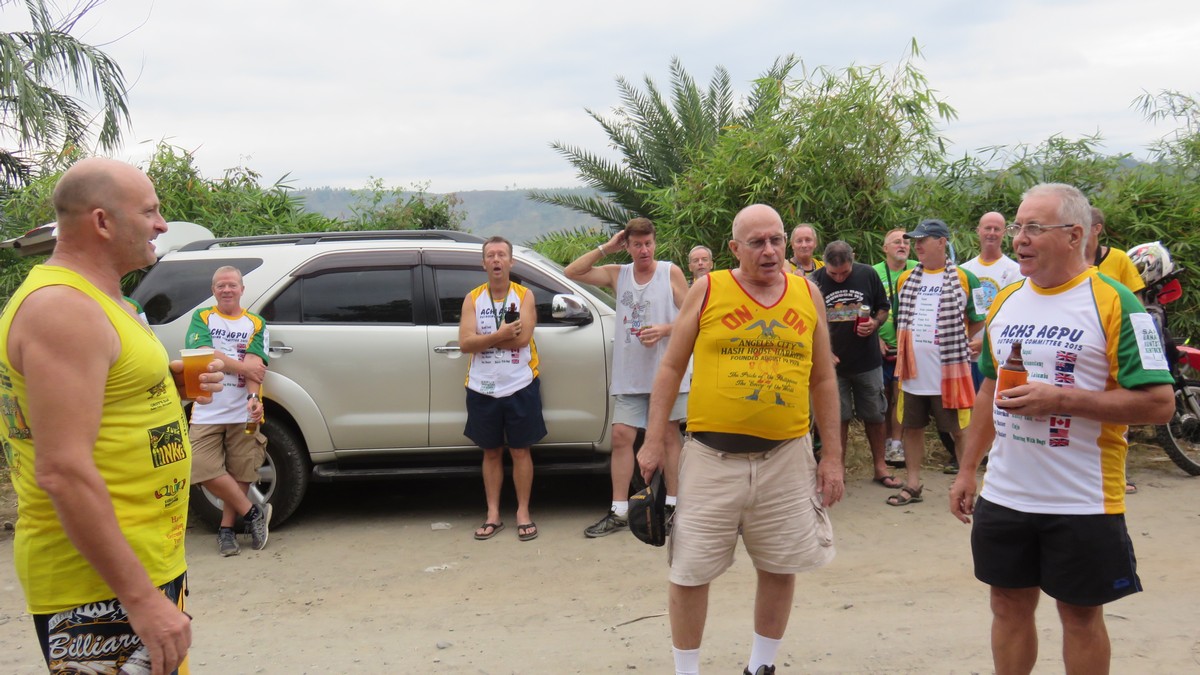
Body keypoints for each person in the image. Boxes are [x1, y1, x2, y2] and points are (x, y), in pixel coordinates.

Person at [0, 157, 223, 674]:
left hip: (138, 562)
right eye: (150, 211)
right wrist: (140, 599)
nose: (162, 225)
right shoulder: (63, 309)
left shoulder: (102, 298)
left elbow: (97, 397)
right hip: (98, 584)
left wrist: (163, 384)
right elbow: (62, 470)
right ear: (102, 221)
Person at [949, 183, 1173, 674]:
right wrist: (967, 470)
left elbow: (1160, 403)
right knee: (1006, 604)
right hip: (1006, 493)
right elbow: (987, 390)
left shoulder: (1115, 302)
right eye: (1017, 227)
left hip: (1082, 499)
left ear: (1074, 235)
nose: (1019, 239)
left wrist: (1062, 400)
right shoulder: (1005, 301)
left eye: (1034, 228)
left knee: (1079, 615)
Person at [636, 204, 843, 675]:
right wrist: (652, 441)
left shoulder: (807, 292)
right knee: (689, 571)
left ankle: (761, 666)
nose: (770, 251)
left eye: (776, 240)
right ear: (735, 248)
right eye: (757, 242)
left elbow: (822, 379)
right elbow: (671, 367)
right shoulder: (709, 288)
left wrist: (831, 456)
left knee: (780, 565)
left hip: (787, 458)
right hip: (711, 459)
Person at [565, 218, 689, 537]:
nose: (644, 250)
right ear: (628, 246)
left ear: (654, 243)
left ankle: (674, 508)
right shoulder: (618, 274)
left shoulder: (669, 272)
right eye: (637, 245)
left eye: (648, 243)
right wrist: (606, 248)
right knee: (621, 435)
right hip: (631, 373)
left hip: (667, 372)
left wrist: (665, 329)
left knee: (669, 436)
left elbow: (694, 316)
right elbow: (572, 272)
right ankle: (619, 511)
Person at [888, 219, 984, 505]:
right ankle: (913, 484)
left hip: (949, 373)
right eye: (915, 241)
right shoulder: (905, 279)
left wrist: (967, 341)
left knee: (959, 430)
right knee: (912, 427)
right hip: (913, 372)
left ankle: (966, 486)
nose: (916, 246)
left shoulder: (967, 278)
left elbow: (979, 318)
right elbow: (900, 320)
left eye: (923, 240)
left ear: (942, 242)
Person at [458, 236, 546, 542]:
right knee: (491, 451)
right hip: (482, 386)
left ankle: (523, 513)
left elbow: (522, 340)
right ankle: (493, 514)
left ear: (511, 261)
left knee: (521, 451)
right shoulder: (473, 298)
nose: (496, 260)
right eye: (490, 255)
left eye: (501, 255)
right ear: (483, 263)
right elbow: (465, 343)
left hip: (520, 383)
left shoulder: (524, 296)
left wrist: (484, 340)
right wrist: (501, 333)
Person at [185, 265, 272, 556]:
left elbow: (256, 366)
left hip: (244, 410)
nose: (226, 290)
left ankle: (226, 530)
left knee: (242, 469)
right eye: (221, 285)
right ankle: (253, 512)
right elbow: (204, 354)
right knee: (199, 465)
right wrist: (243, 367)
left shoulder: (255, 323)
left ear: (241, 289)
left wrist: (253, 398)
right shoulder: (202, 317)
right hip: (207, 409)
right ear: (213, 290)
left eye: (232, 285)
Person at [811, 241, 896, 488]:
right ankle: (837, 469)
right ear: (824, 263)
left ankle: (880, 467)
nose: (839, 278)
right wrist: (823, 351)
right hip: (831, 366)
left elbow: (883, 308)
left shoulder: (867, 274)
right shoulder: (814, 281)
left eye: (845, 273)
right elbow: (806, 322)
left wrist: (875, 323)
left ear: (853, 259)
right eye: (833, 273)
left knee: (875, 414)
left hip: (867, 361)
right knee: (837, 417)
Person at [960, 212, 1023, 389]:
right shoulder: (964, 270)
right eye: (988, 228)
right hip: (966, 356)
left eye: (997, 229)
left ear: (1004, 233)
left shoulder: (1016, 272)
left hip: (995, 357)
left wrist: (985, 344)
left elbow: (1014, 317)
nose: (992, 233)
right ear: (978, 231)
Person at [873, 227, 917, 466]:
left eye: (906, 242)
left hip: (908, 347)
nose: (903, 245)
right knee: (883, 397)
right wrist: (875, 338)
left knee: (901, 397)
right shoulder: (873, 272)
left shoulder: (919, 270)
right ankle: (885, 442)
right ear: (885, 248)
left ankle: (897, 445)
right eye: (897, 242)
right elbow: (864, 308)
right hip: (880, 346)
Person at [1087, 207, 1145, 297]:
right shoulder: (1067, 261)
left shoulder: (1119, 258)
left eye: (1082, 226)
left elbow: (1136, 299)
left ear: (1097, 229)